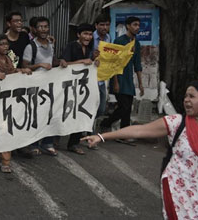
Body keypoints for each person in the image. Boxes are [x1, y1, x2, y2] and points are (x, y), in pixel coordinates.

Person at [81, 81, 198, 219]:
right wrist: (101, 137)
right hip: (178, 190)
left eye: (192, 96)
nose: (186, 100)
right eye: (186, 96)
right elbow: (138, 130)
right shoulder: (177, 122)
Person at [0, 34, 32, 173]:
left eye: (6, 44)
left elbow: (13, 72)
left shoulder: (9, 59)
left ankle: (5, 160)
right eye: (2, 44)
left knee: (6, 128)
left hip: (8, 100)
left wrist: (22, 70)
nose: (5, 46)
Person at [22, 17, 67, 156]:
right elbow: (25, 67)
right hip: (35, 86)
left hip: (51, 85)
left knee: (51, 114)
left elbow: (51, 61)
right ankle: (34, 143)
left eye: (45, 26)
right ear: (35, 29)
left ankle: (47, 143)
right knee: (36, 115)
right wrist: (39, 65)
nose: (43, 29)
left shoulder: (51, 44)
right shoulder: (31, 47)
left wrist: (60, 61)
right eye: (40, 27)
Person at [100, 17, 144, 143]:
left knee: (127, 108)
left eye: (138, 25)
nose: (137, 27)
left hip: (129, 80)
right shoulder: (119, 41)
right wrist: (115, 82)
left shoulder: (136, 43)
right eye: (135, 25)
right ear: (127, 26)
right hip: (118, 78)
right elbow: (113, 62)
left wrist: (140, 84)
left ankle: (123, 134)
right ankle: (106, 122)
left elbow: (138, 65)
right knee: (124, 107)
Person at [61, 23, 97, 155]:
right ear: (78, 35)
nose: (88, 37)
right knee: (64, 113)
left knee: (79, 114)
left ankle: (74, 143)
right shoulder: (71, 46)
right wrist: (82, 62)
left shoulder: (89, 48)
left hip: (82, 88)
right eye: (85, 34)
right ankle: (53, 139)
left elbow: (88, 64)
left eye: (90, 34)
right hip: (68, 87)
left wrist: (94, 61)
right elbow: (64, 64)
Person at [92, 14, 111, 119]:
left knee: (101, 109)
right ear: (96, 25)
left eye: (107, 25)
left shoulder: (108, 37)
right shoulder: (90, 37)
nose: (105, 27)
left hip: (102, 79)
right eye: (102, 25)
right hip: (90, 78)